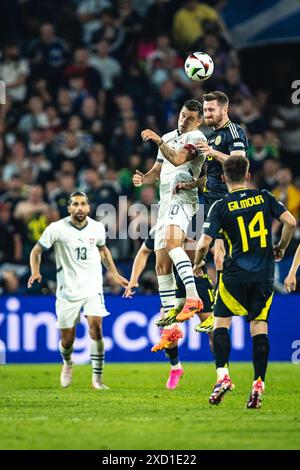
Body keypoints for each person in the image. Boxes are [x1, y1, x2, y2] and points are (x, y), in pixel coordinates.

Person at [193, 155, 296, 408]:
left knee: (220, 325)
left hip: (234, 275)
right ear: (248, 175)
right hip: (263, 274)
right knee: (259, 326)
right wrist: (281, 246)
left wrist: (197, 263)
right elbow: (290, 222)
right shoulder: (263, 197)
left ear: (223, 177)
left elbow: (204, 242)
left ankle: (223, 377)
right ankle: (258, 383)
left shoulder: (221, 205)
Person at [28, 191, 128, 390]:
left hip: (93, 286)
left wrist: (115, 274)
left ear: (88, 207)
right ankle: (67, 363)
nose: (79, 208)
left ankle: (97, 379)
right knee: (67, 339)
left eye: (83, 204)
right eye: (75, 204)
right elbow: (36, 251)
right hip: (68, 290)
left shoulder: (97, 227)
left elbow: (102, 250)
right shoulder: (56, 228)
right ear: (69, 208)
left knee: (97, 328)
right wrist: (36, 271)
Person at [134, 100, 207, 351]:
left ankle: (193, 298)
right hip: (165, 203)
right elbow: (157, 170)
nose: (184, 120)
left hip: (184, 199)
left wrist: (157, 140)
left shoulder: (197, 138)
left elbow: (177, 159)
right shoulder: (168, 136)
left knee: (173, 243)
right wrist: (143, 178)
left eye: (190, 117)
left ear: (199, 121)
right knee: (161, 263)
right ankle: (170, 328)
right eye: (182, 115)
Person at [123, 229, 214, 389]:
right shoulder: (163, 227)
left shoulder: (197, 220)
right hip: (173, 282)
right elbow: (143, 252)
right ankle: (175, 367)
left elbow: (213, 245)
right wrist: (133, 280)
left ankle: (222, 370)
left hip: (198, 277)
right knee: (167, 323)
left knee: (213, 329)